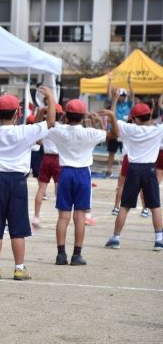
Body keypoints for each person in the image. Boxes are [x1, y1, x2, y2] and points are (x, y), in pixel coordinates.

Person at [0, 88, 55, 281]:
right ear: (17, 113)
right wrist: (49, 97)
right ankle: (19, 268)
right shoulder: (25, 131)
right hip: (17, 181)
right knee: (18, 226)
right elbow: (50, 122)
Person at [47, 100, 118, 265]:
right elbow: (114, 135)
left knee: (63, 216)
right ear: (83, 115)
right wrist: (112, 116)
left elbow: (47, 124)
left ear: (66, 114)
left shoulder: (59, 131)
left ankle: (60, 254)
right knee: (80, 217)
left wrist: (50, 100)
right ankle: (77, 255)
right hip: (82, 174)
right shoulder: (90, 133)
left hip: (64, 173)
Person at [105, 101, 163, 251]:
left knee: (125, 206)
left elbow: (113, 120)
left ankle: (116, 238)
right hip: (150, 169)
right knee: (155, 206)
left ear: (136, 119)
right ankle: (159, 239)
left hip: (133, 169)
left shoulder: (129, 128)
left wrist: (114, 100)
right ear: (150, 114)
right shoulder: (159, 130)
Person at [32, 104, 64, 228]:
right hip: (58, 159)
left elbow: (35, 131)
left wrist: (41, 111)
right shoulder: (62, 127)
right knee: (58, 189)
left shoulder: (44, 127)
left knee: (41, 189)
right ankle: (61, 215)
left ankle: (36, 216)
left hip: (46, 158)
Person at [105, 73, 134, 177]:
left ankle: (125, 170)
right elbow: (109, 94)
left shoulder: (128, 104)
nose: (122, 97)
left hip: (124, 131)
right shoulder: (114, 103)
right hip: (114, 129)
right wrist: (109, 82)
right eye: (121, 95)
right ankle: (109, 170)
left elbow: (132, 95)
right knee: (111, 152)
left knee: (126, 152)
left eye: (124, 95)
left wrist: (129, 83)